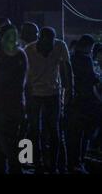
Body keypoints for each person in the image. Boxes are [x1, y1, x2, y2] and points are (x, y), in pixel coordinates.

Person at [24, 27, 73, 174]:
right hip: (35, 94)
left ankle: (55, 166)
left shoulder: (59, 46)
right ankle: (37, 164)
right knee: (35, 131)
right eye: (46, 45)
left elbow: (67, 68)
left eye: (50, 45)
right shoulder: (28, 50)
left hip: (53, 93)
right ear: (40, 40)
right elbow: (24, 76)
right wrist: (25, 97)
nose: (48, 49)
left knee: (54, 131)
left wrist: (70, 88)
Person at [0, 24, 28, 174]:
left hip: (4, 105)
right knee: (4, 145)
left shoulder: (4, 54)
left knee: (5, 145)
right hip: (15, 104)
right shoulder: (21, 54)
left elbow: (1, 78)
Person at [67, 35, 101, 173]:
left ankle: (73, 162)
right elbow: (92, 78)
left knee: (74, 135)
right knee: (84, 135)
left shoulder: (70, 57)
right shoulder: (86, 59)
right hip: (85, 102)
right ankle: (79, 162)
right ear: (87, 46)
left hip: (73, 101)